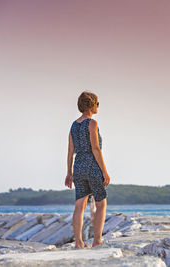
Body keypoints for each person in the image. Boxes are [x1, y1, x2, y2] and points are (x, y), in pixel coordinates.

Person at [65, 91, 110, 248]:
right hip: (92, 165)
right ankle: (97, 240)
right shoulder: (92, 123)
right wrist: (104, 171)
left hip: (78, 167)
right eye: (97, 103)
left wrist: (69, 172)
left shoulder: (73, 125)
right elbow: (96, 148)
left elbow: (70, 151)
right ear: (92, 105)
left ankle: (78, 242)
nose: (98, 106)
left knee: (79, 205)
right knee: (101, 203)